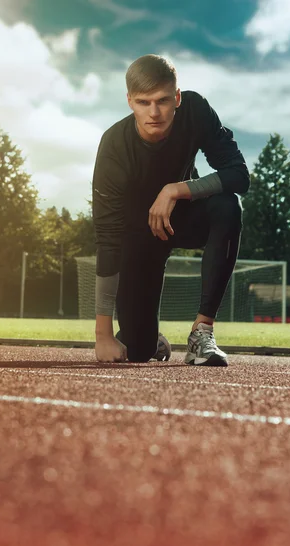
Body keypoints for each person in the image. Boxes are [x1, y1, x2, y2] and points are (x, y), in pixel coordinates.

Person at [92, 54, 250, 366]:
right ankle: (146, 337)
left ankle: (201, 333)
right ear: (129, 102)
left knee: (227, 206)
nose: (154, 112)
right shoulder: (114, 147)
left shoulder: (195, 110)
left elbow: (238, 175)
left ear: (176, 97)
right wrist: (103, 336)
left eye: (163, 100)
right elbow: (108, 237)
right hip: (138, 238)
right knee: (136, 350)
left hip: (181, 218)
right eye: (143, 102)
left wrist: (176, 189)